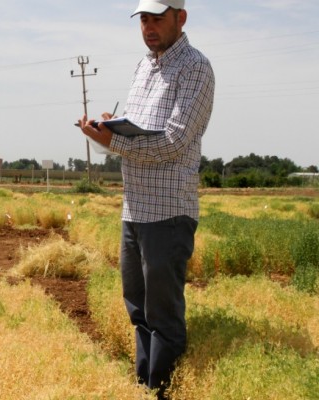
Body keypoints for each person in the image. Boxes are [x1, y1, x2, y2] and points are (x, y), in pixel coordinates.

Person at [76, 0, 214, 398]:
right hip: (134, 208)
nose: (149, 28)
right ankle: (143, 387)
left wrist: (113, 140)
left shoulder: (195, 68)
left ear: (180, 18)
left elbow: (173, 142)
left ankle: (162, 391)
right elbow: (136, 134)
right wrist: (106, 129)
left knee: (163, 317)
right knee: (137, 308)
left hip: (168, 213)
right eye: (144, 20)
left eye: (158, 19)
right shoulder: (143, 67)